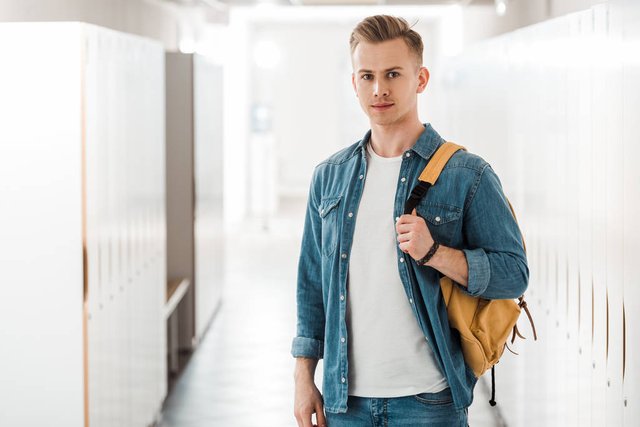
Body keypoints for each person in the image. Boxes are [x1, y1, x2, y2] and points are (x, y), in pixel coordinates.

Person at [291, 15, 528, 427]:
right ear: (354, 84)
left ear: (421, 79)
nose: (379, 89)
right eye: (367, 76)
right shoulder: (329, 177)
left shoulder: (467, 175)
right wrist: (303, 377)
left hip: (430, 402)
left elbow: (514, 274)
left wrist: (435, 252)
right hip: (345, 402)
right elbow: (312, 286)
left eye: (393, 74)